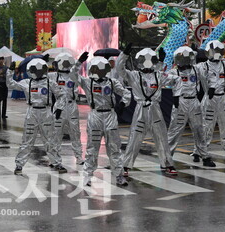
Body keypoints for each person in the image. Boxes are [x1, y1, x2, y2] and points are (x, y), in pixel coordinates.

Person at [117, 45, 179, 176]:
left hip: (155, 108)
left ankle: (168, 164)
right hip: (141, 109)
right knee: (135, 137)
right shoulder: (133, 75)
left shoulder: (159, 75)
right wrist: (124, 55)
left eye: (150, 60)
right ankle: (126, 166)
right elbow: (120, 69)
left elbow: (176, 79)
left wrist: (177, 95)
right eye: (144, 60)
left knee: (162, 137)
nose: (147, 62)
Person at [75, 53, 131, 187]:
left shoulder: (112, 82)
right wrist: (79, 62)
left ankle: (119, 176)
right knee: (92, 148)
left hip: (110, 115)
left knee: (114, 148)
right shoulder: (87, 83)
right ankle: (87, 176)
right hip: (95, 115)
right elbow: (72, 76)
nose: (99, 72)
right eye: (96, 69)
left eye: (102, 69)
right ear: (92, 70)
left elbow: (126, 93)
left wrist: (123, 104)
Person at [7, 57, 67, 175]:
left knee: (50, 140)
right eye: (35, 70)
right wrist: (10, 71)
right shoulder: (27, 82)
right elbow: (10, 84)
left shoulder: (50, 83)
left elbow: (62, 95)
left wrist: (59, 108)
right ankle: (19, 165)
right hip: (32, 112)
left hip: (46, 112)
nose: (38, 72)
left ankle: (57, 163)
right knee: (27, 141)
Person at [166, 46, 216, 167]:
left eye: (187, 58)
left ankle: (204, 156)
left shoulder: (196, 70)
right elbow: (163, 79)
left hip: (194, 102)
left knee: (199, 130)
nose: (184, 61)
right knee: (174, 132)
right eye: (182, 59)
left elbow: (210, 73)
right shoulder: (173, 72)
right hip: (180, 102)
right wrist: (161, 64)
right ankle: (166, 157)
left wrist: (212, 86)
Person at [49, 52, 84, 166]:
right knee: (56, 133)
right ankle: (55, 158)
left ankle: (79, 157)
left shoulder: (74, 76)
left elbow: (77, 71)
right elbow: (41, 77)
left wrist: (79, 62)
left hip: (72, 105)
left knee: (75, 132)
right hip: (59, 106)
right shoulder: (54, 76)